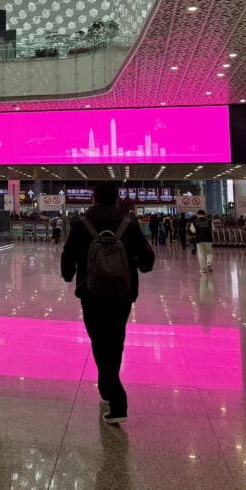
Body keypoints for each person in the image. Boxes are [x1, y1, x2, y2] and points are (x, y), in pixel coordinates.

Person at [61, 182, 154, 424]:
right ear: (117, 199)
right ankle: (107, 385)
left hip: (91, 292)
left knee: (99, 340)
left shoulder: (81, 224)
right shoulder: (129, 224)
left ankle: (116, 396)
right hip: (122, 293)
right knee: (115, 339)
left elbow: (68, 256)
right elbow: (146, 262)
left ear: (93, 198)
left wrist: (70, 275)